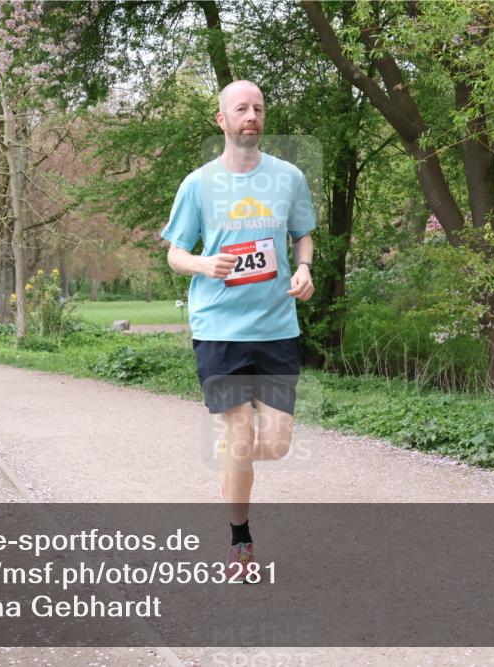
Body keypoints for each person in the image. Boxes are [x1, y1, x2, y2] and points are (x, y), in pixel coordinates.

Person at [162, 80, 315, 580]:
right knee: (239, 435)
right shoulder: (198, 184)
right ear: (221, 120)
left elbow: (302, 235)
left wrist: (304, 268)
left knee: (275, 443)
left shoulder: (289, 177)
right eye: (240, 108)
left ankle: (234, 474)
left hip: (275, 326)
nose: (251, 115)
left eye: (258, 108)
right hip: (219, 326)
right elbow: (175, 252)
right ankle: (240, 540)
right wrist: (205, 265)